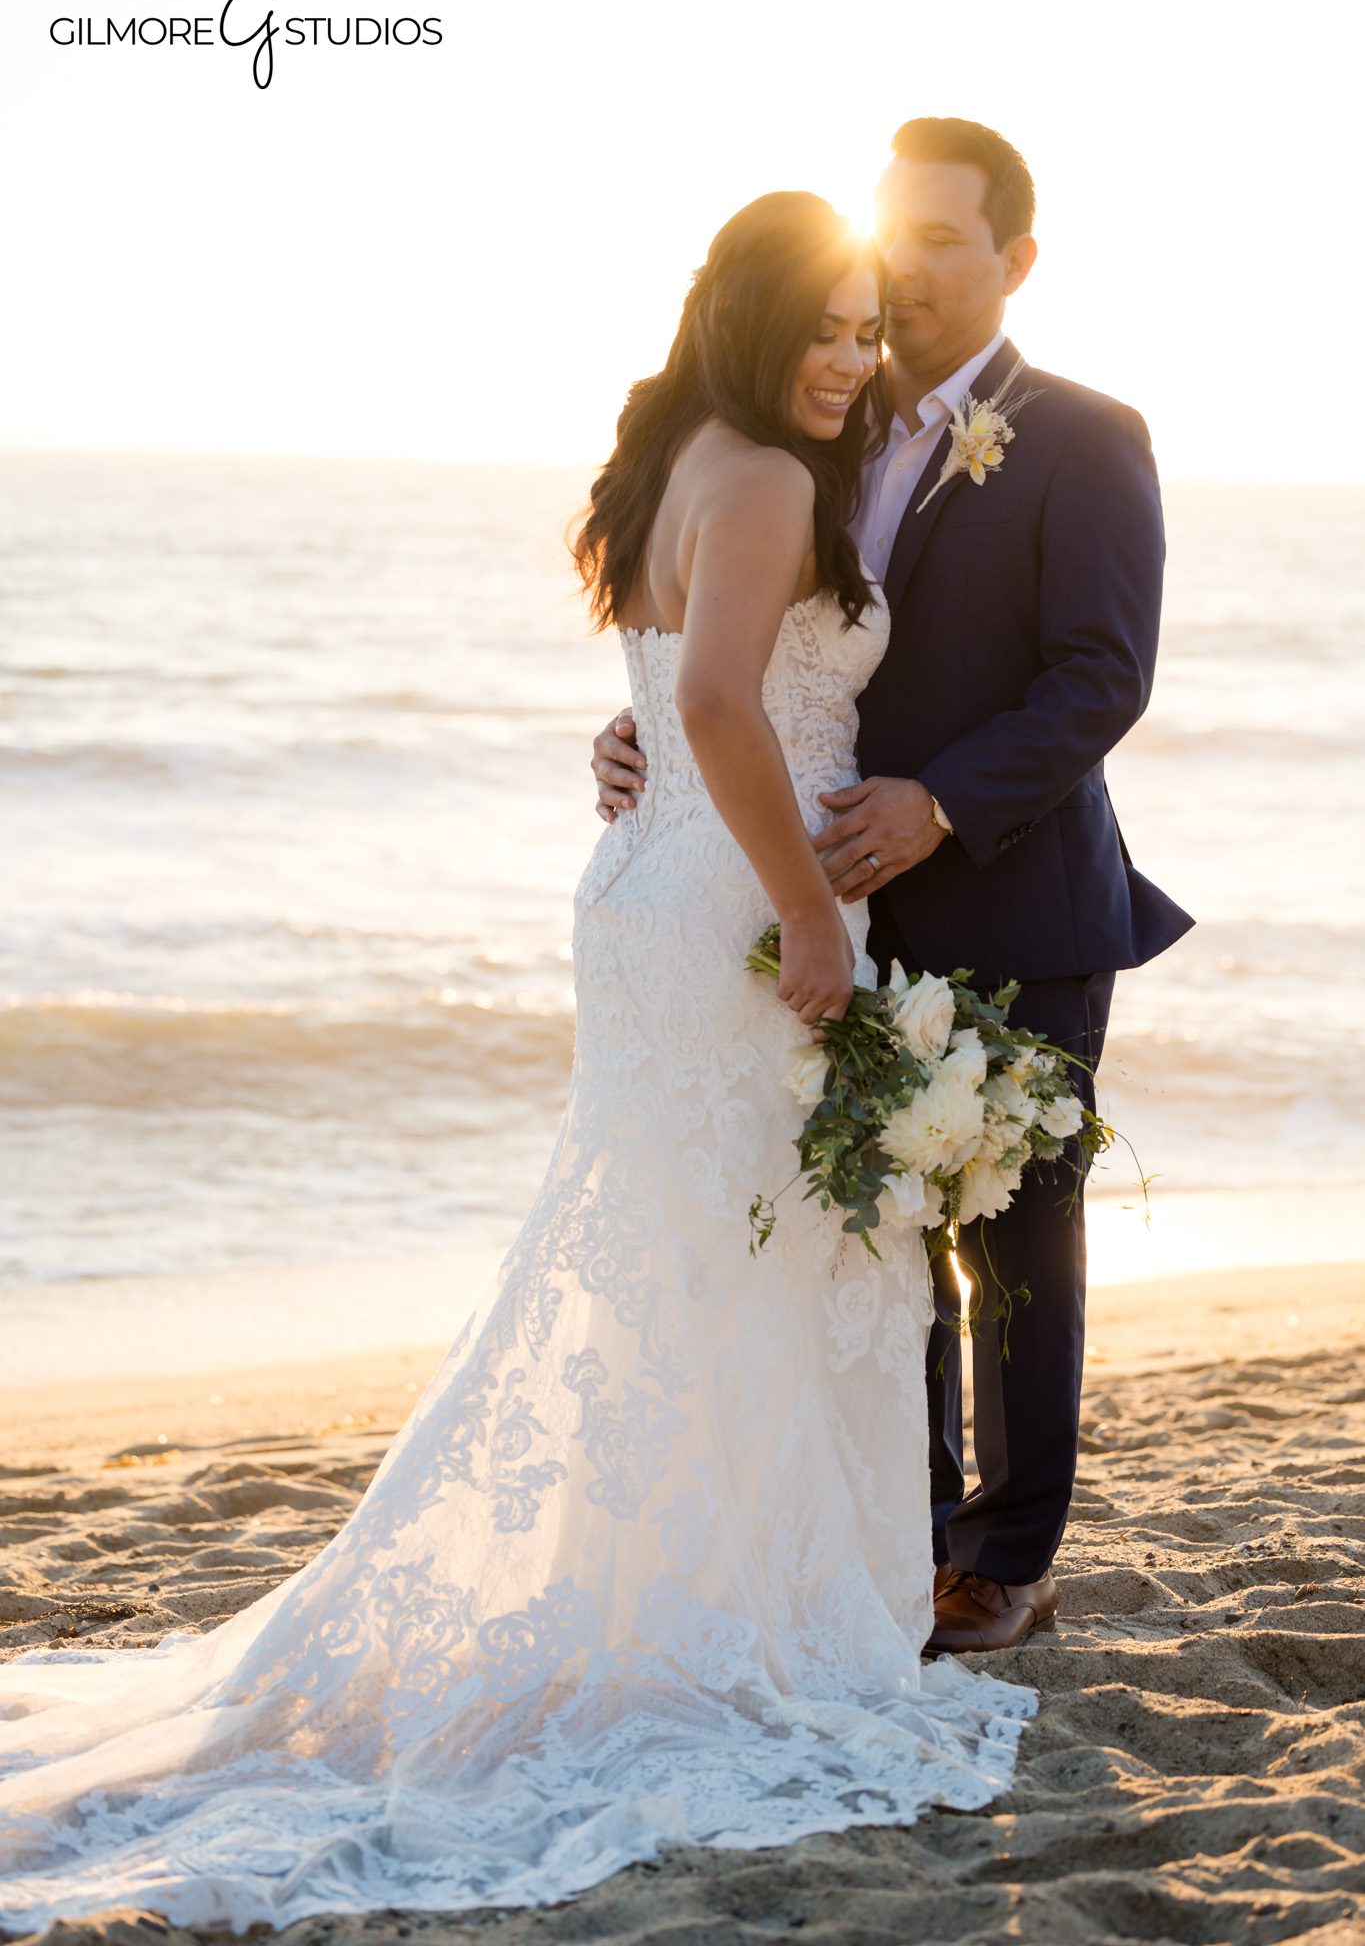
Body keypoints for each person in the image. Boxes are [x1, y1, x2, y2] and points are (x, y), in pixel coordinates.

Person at [0, 191, 1035, 1936]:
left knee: (675, 1243)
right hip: (726, 897)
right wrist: (803, 914)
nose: (853, 356)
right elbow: (712, 702)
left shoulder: (670, 458)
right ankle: (753, 1620)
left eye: (869, 328)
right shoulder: (771, 478)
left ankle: (666, 1591)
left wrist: (703, 810)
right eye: (827, 326)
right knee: (772, 1249)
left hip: (643, 892)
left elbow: (665, 680)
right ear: (749, 317)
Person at [592, 119, 1195, 1660]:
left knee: (1017, 1247)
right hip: (845, 905)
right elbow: (759, 646)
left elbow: (1099, 675)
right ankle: (904, 1531)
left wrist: (941, 802)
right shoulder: (823, 429)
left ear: (1013, 263)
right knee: (870, 1235)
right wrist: (652, 722)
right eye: (894, 233)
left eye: (944, 239)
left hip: (1015, 897)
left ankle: (1002, 1558)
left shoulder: (1081, 433)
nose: (908, 269)